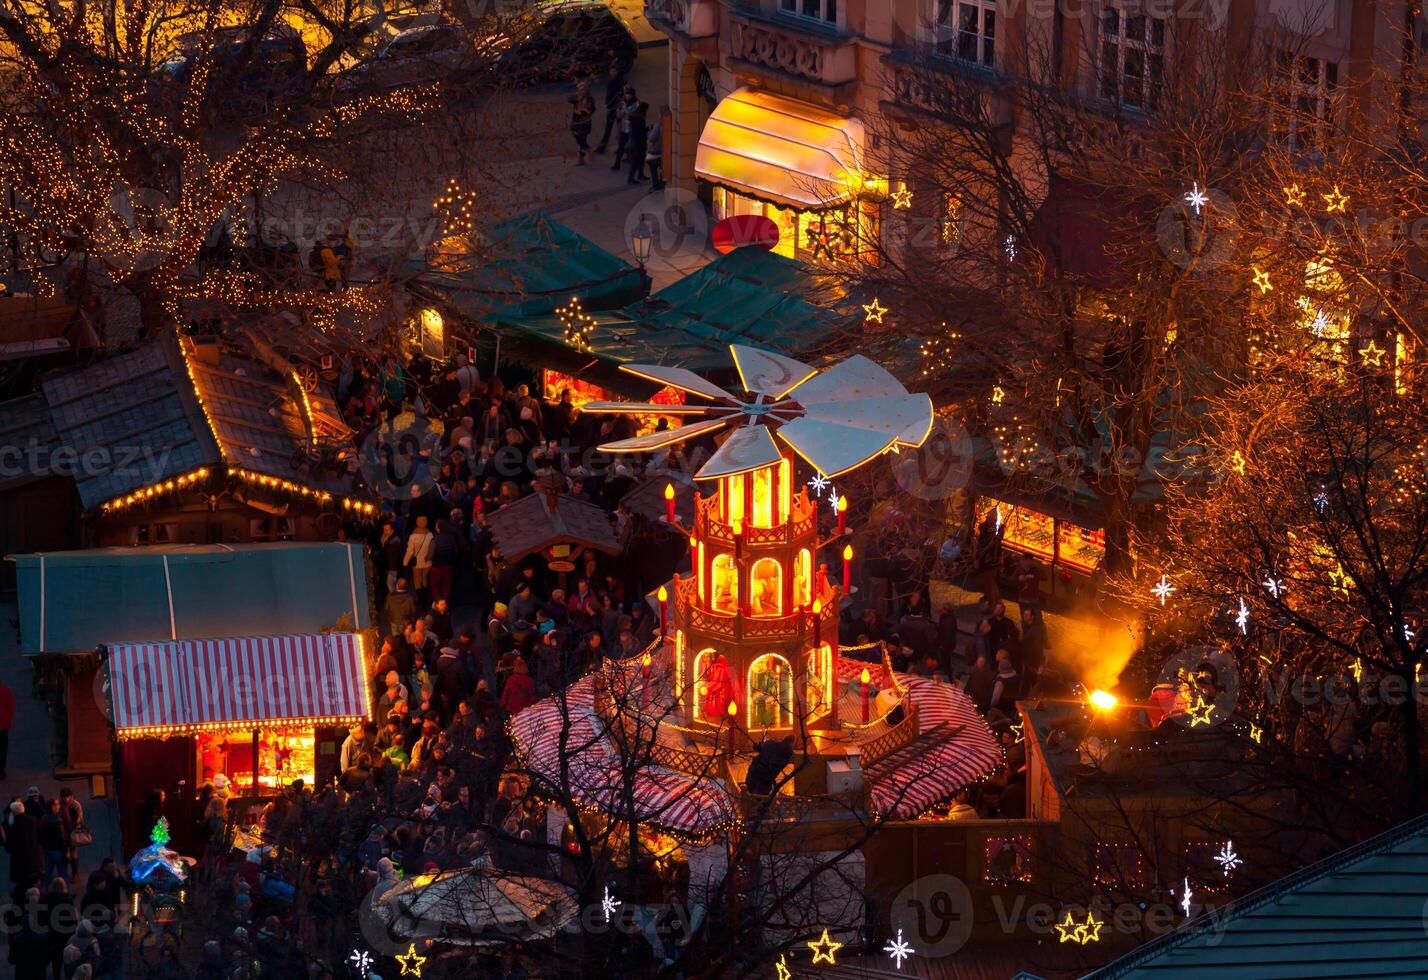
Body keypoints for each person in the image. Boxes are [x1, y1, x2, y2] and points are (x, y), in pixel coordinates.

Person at [595, 62, 626, 153]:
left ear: (617, 71)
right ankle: (619, 147)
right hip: (614, 106)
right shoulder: (616, 80)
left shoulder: (616, 82)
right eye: (611, 71)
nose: (612, 73)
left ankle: (606, 147)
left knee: (613, 127)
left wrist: (608, 104)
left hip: (615, 107)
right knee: (615, 127)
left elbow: (613, 95)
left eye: (614, 71)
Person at [403, 515, 435, 597]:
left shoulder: (413, 536)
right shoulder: (430, 535)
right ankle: (425, 599)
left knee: (417, 581)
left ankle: (420, 599)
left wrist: (405, 562)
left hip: (417, 563)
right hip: (428, 562)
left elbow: (410, 551)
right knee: (425, 580)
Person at [568, 80, 595, 165]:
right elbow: (569, 99)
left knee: (582, 137)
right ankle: (588, 148)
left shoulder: (589, 99)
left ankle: (581, 159)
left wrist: (584, 109)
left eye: (582, 89)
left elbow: (591, 110)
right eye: (579, 89)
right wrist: (577, 98)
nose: (580, 91)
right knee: (577, 135)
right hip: (576, 120)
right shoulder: (577, 96)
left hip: (584, 122)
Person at [626, 100, 649, 184]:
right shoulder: (640, 118)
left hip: (636, 142)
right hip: (639, 143)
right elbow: (641, 131)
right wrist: (647, 129)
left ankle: (640, 174)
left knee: (639, 159)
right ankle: (632, 177)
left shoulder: (635, 117)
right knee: (637, 160)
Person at [647, 107, 665, 190]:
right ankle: (661, 184)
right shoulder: (669, 126)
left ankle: (655, 186)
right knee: (663, 171)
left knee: (653, 170)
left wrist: (650, 132)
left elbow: (651, 138)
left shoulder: (658, 126)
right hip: (665, 154)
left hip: (655, 153)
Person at [0, 679, 14, 780]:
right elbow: (12, 706)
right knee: (2, 749)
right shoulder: (6, 690)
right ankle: (1, 771)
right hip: (3, 725)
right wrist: (7, 717)